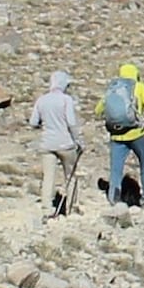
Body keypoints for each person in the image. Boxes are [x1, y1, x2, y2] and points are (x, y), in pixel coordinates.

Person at [102, 57, 144, 209]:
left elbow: (98, 109)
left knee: (116, 169)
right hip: (136, 133)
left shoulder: (113, 88)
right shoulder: (139, 87)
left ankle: (114, 199)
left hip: (116, 135)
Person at [32, 70, 85, 219]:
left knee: (48, 176)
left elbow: (33, 122)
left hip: (47, 144)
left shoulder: (41, 100)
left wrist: (46, 125)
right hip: (65, 144)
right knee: (71, 176)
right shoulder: (66, 100)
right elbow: (71, 123)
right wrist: (79, 141)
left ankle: (46, 208)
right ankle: (71, 206)